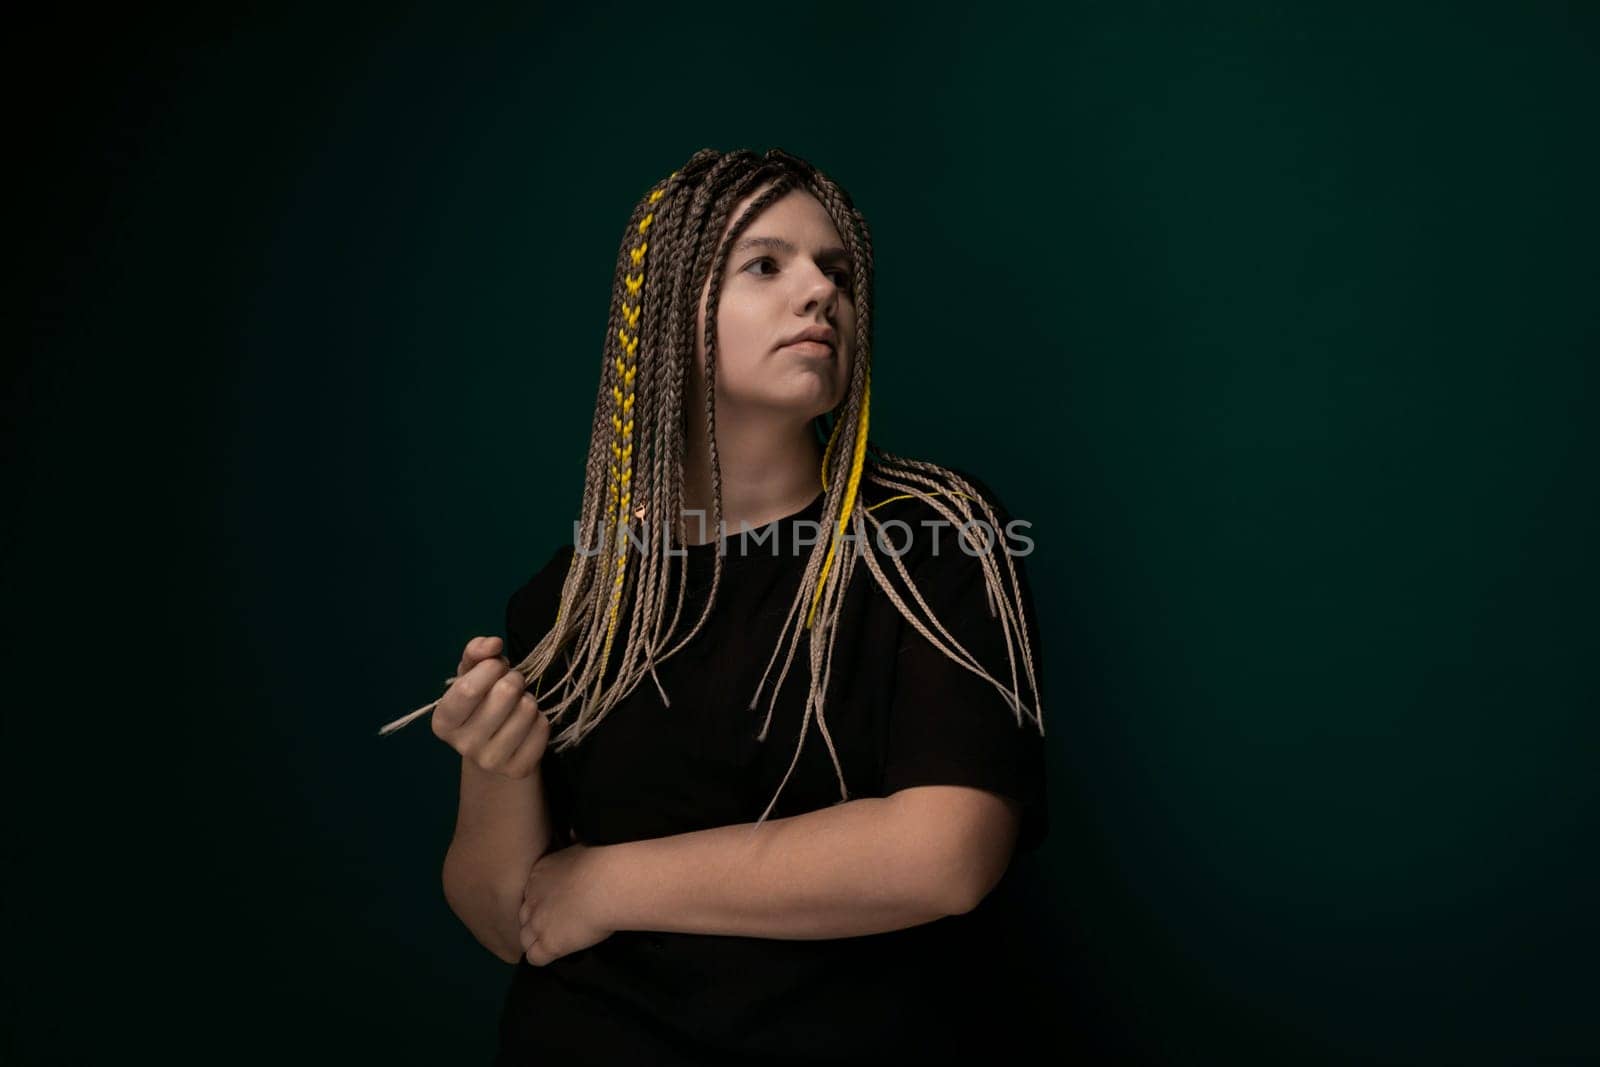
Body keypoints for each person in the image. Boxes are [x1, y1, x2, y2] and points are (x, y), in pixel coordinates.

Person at [377, 147, 1050, 1065]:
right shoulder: (581, 589)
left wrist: (609, 881)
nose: (820, 292)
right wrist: (494, 765)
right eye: (766, 265)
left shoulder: (935, 537)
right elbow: (509, 918)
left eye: (837, 271)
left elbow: (946, 854)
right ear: (666, 316)